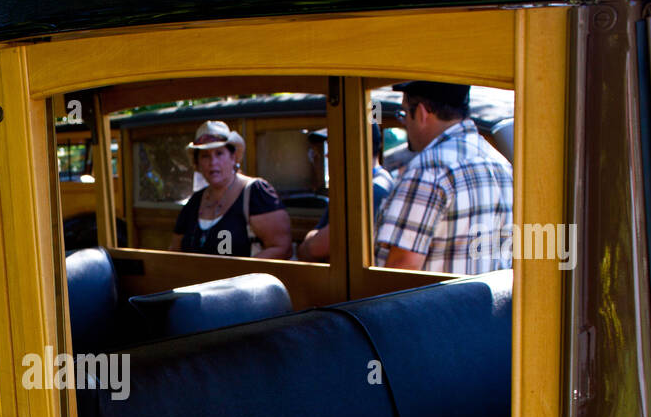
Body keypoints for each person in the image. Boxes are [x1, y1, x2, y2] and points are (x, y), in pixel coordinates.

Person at [375, 81, 513, 273]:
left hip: (435, 302)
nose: (404, 123)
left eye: (404, 114)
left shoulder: (430, 169)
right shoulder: (500, 163)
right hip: (483, 301)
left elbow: (402, 267)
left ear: (422, 113)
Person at [169, 121, 292, 258]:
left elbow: (282, 248)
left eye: (219, 153)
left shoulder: (255, 193)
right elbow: (175, 250)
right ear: (197, 163)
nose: (213, 162)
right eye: (205, 156)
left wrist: (241, 275)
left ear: (233, 157)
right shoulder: (195, 201)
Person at [295, 124, 393, 262]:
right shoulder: (354, 187)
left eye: (334, 145)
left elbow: (314, 249)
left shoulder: (371, 191)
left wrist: (311, 240)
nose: (327, 155)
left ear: (355, 145)